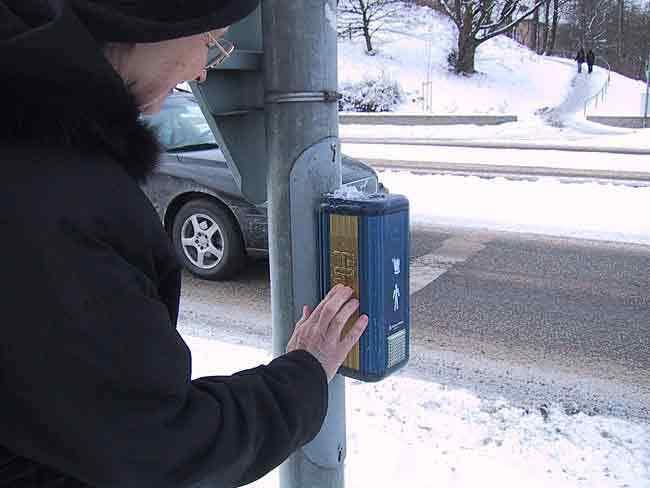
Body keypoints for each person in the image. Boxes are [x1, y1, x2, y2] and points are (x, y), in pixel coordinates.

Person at [0, 1, 369, 487]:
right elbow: (155, 446)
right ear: (142, 24)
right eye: (208, 40)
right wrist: (303, 377)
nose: (202, 69)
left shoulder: (34, 146)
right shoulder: (56, 194)